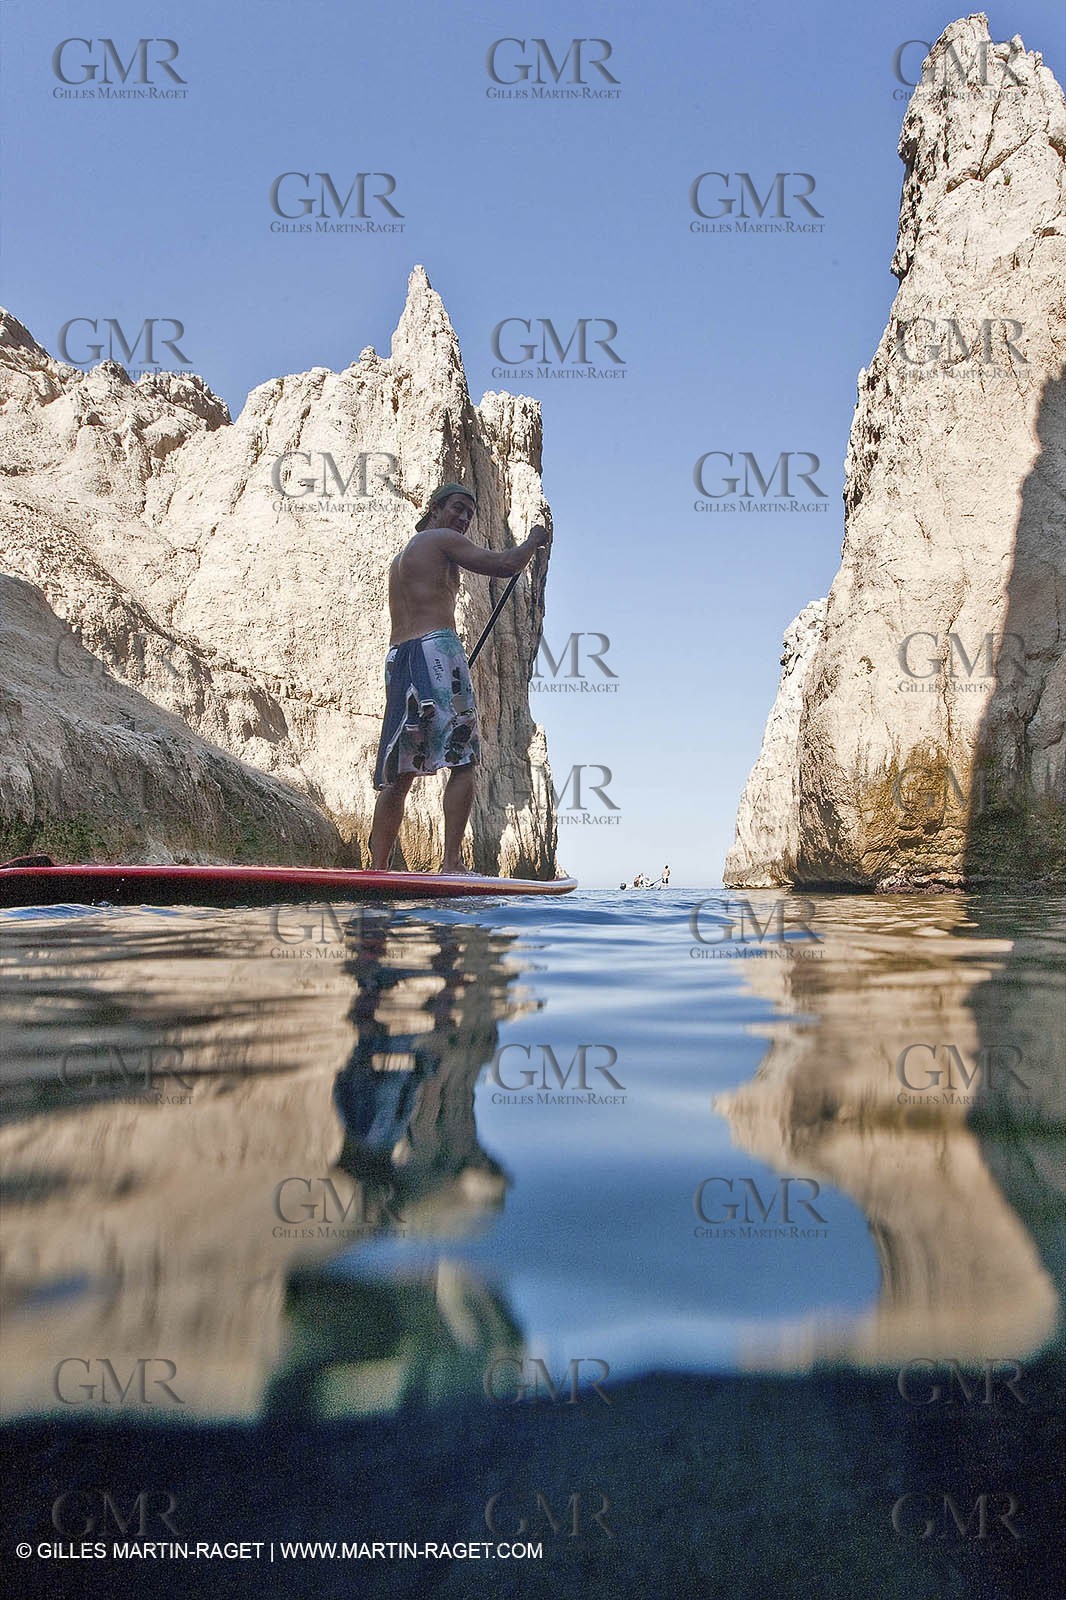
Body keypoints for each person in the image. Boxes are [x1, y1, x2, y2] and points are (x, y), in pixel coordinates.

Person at [370, 483, 549, 873]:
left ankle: (378, 867)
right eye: (457, 507)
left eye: (470, 512)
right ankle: (451, 862)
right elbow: (505, 565)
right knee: (463, 759)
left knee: (401, 771)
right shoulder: (441, 539)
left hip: (399, 660)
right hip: (437, 650)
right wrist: (534, 540)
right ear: (434, 509)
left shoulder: (401, 559)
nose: (464, 518)